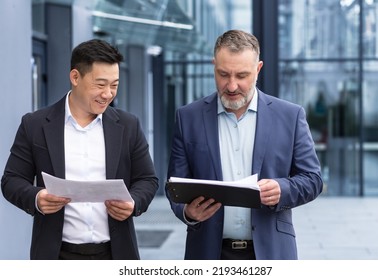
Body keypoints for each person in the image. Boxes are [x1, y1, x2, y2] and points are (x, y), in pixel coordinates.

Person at [166, 30, 323, 260]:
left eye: (241, 75)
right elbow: (174, 186)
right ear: (213, 66)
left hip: (272, 252)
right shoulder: (187, 117)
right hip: (208, 253)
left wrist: (283, 189)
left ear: (258, 69)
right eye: (223, 74)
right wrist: (187, 212)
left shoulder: (290, 116)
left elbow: (313, 179)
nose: (231, 86)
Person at [1, 39, 158, 260]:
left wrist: (133, 202)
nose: (108, 94)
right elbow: (11, 180)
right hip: (56, 256)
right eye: (100, 84)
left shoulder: (128, 125)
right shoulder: (34, 125)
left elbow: (147, 179)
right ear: (75, 77)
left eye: (114, 85)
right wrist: (37, 197)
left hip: (115, 254)